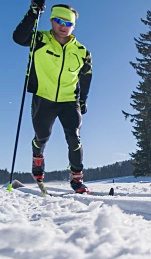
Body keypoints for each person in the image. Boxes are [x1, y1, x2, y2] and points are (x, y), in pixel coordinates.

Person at [13, 1, 92, 193]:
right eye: (58, 20)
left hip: (68, 101)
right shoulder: (40, 39)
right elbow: (19, 38)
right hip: (43, 98)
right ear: (51, 20)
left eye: (68, 23)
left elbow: (86, 76)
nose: (62, 26)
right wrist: (32, 14)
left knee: (74, 137)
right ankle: (37, 162)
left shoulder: (82, 52)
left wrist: (83, 100)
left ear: (73, 26)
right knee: (42, 136)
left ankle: (77, 179)